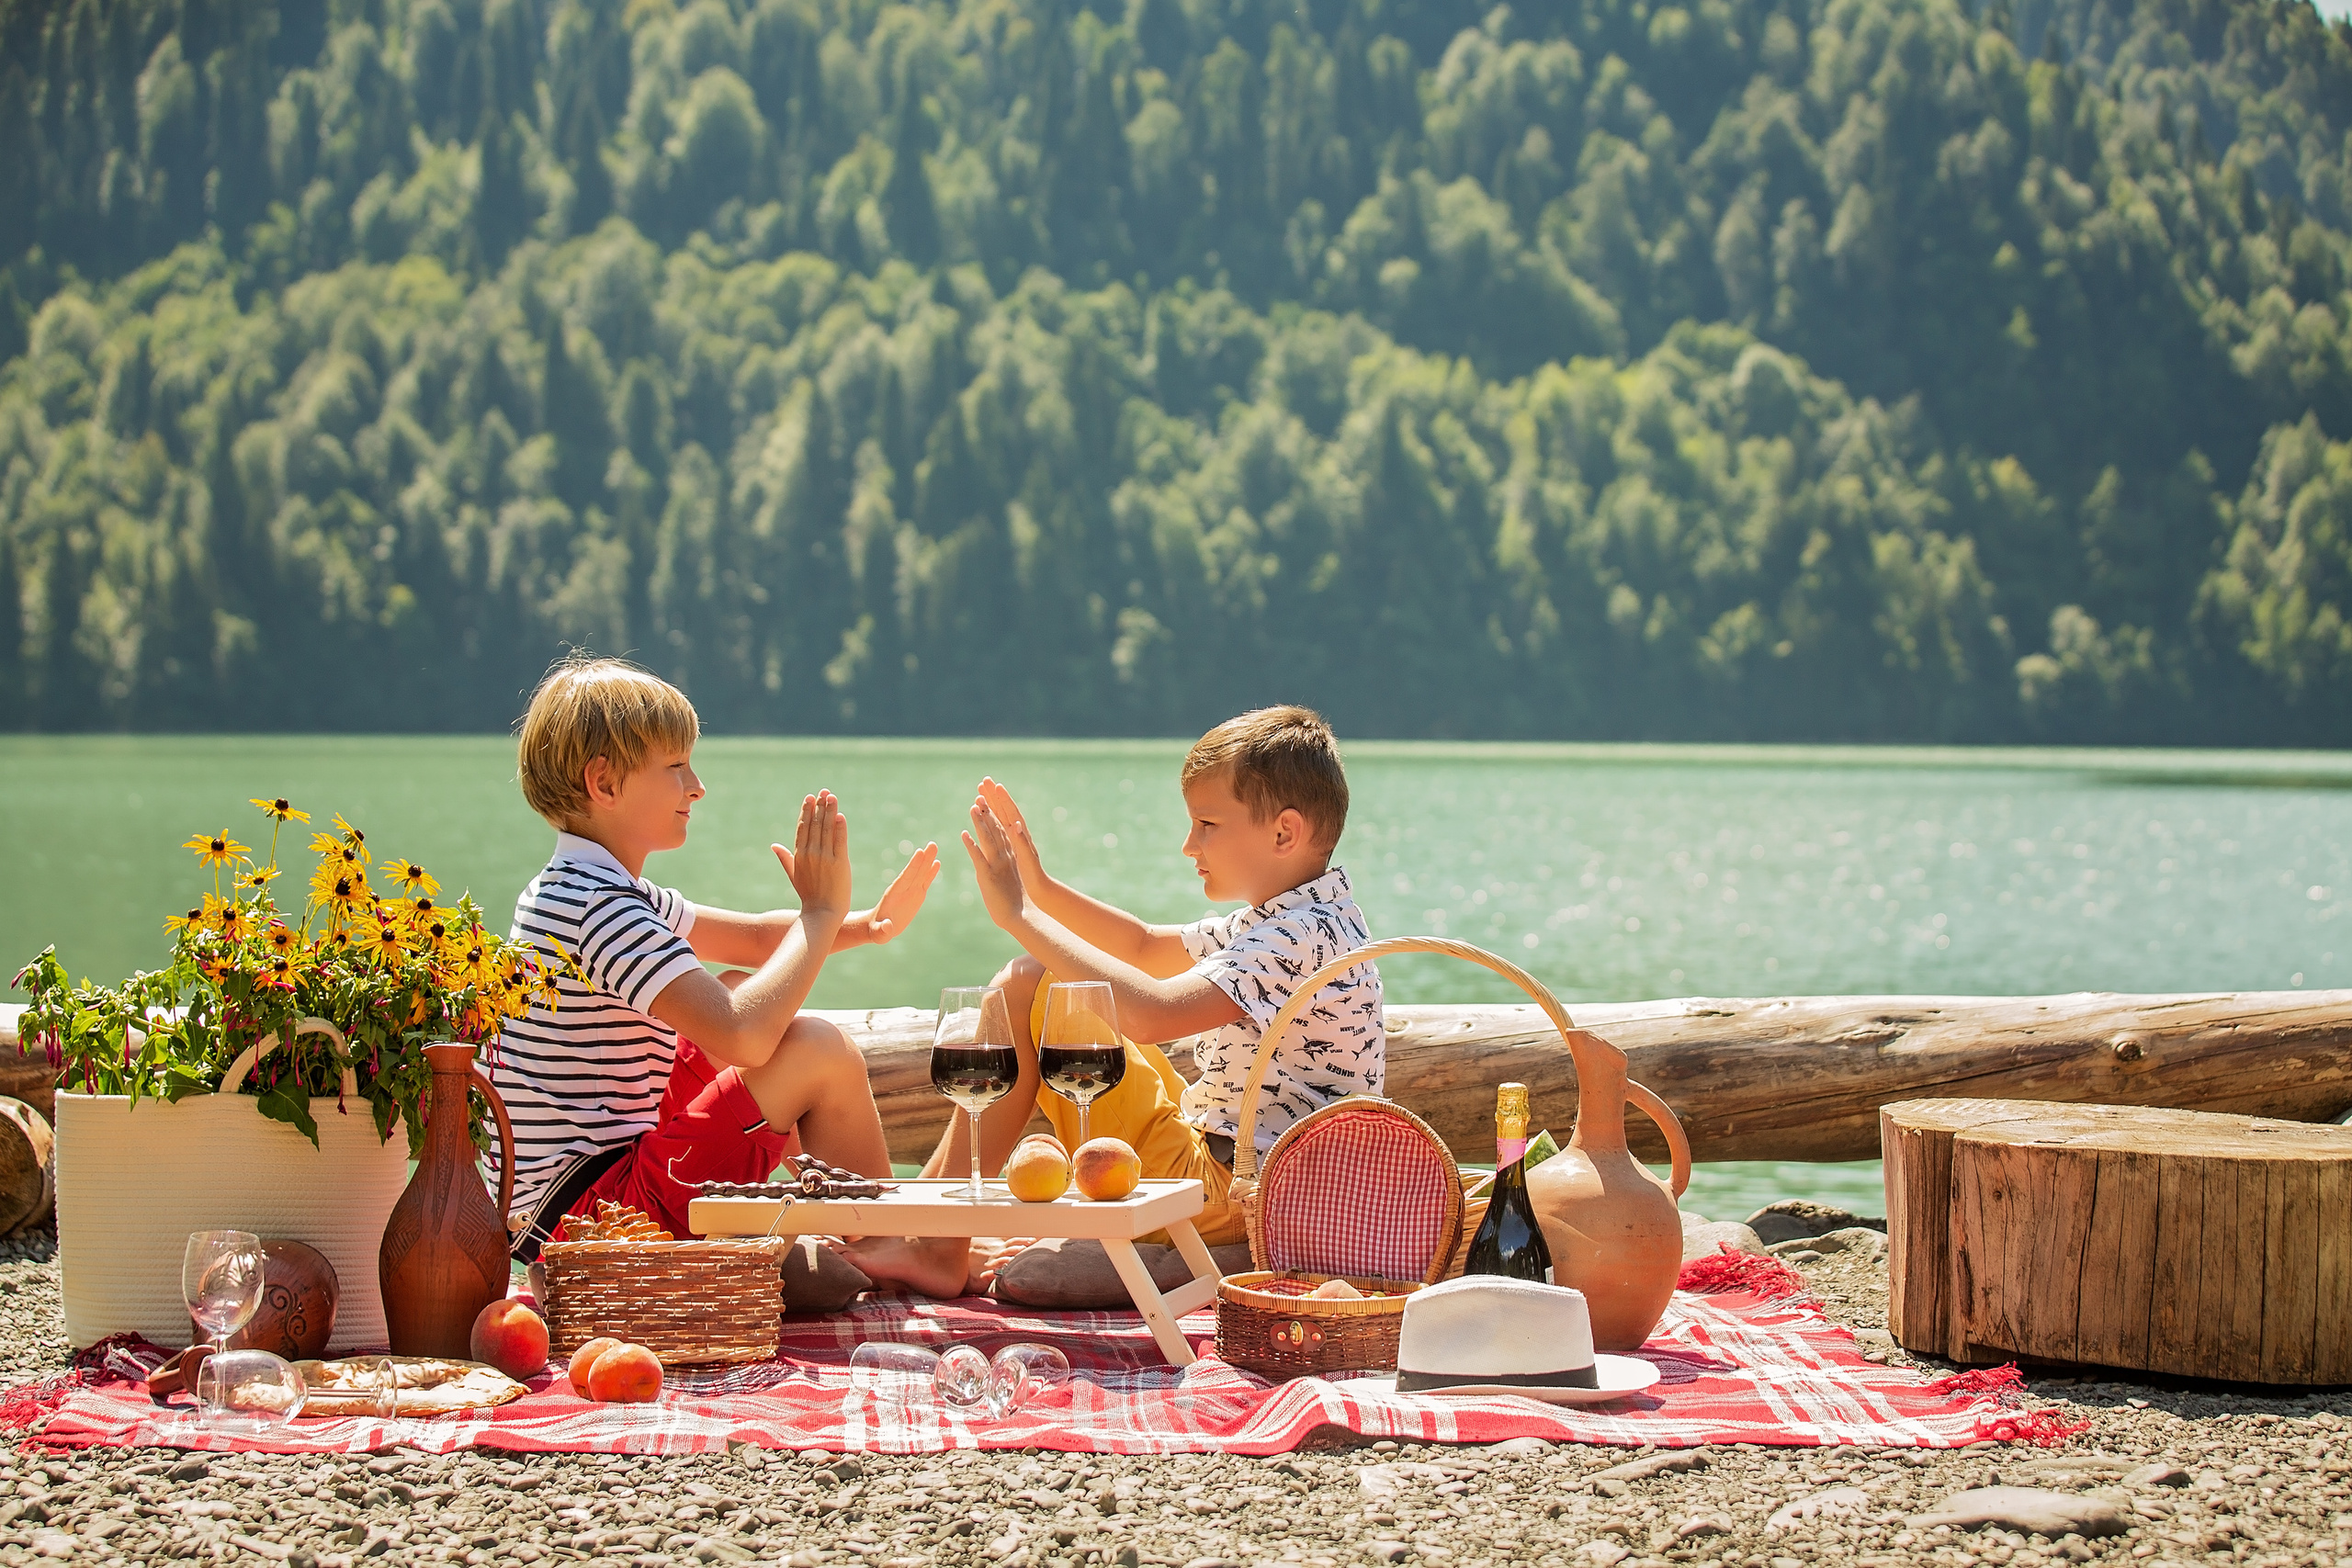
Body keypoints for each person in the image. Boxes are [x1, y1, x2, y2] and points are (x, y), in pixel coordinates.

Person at [498, 653, 968, 1296]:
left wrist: (865, 924)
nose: (697, 786)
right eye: (676, 767)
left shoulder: (583, 887)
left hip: (572, 1205)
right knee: (816, 1049)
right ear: (604, 783)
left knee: (727, 988)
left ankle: (847, 1219)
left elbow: (749, 937)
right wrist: (821, 911)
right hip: (596, 1223)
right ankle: (890, 1240)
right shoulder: (599, 908)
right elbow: (743, 1039)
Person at [946, 705, 1384, 1247]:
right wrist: (1039, 887)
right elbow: (1144, 947)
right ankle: (941, 1228)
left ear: (1283, 833)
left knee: (1035, 984)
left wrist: (1020, 918)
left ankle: (936, 1237)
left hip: (1236, 1196)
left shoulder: (1297, 935)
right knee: (1047, 980)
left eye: (1207, 824)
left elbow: (1154, 1016)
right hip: (1243, 1176)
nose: (1189, 845)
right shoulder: (1306, 916)